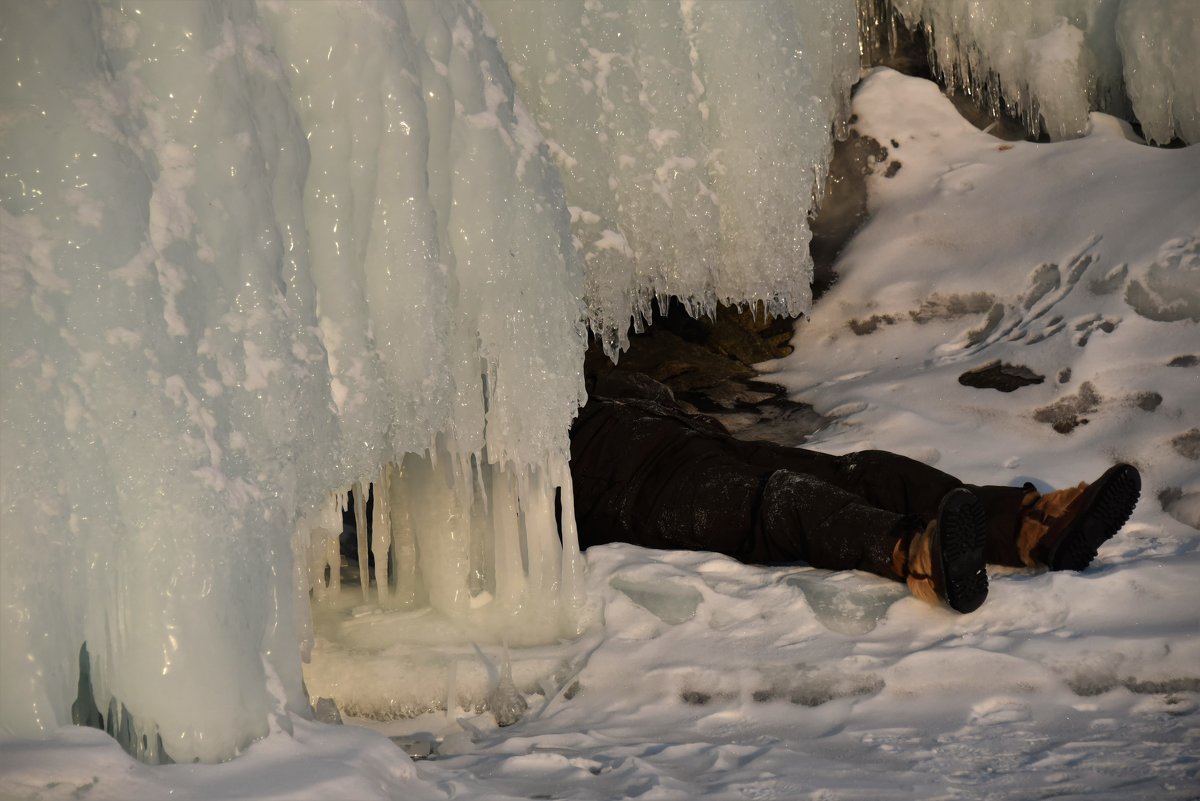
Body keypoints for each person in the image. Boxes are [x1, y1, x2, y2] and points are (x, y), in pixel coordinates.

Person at [569, 376, 1141, 614]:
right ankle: (916, 555)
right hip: (629, 491)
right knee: (778, 499)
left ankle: (1029, 526)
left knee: (860, 471)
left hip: (681, 435)